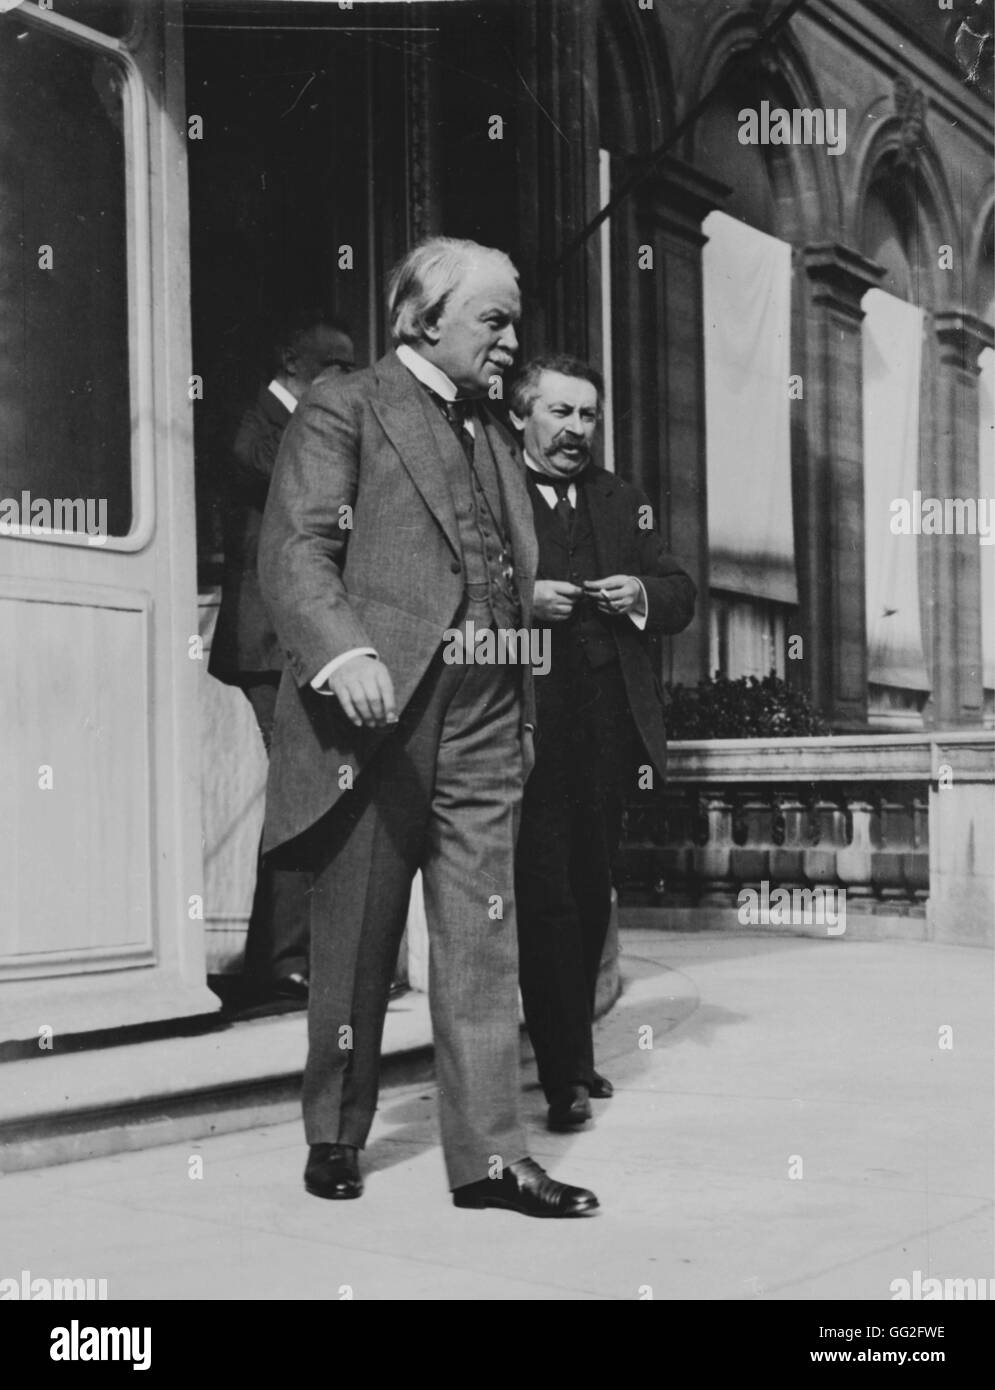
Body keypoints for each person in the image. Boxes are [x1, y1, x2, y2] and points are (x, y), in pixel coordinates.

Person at [258, 238, 598, 1218]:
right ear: (422, 320)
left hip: (489, 717)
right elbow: (296, 550)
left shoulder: (494, 430)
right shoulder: (345, 405)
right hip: (377, 718)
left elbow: (483, 562)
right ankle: (334, 1131)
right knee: (357, 939)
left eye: (514, 318)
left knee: (483, 939)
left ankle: (490, 1159)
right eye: (493, 318)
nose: (512, 338)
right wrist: (343, 651)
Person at [509, 354, 695, 1131]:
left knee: (589, 893)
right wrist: (525, 600)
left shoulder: (624, 501)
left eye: (587, 416)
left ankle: (572, 1052)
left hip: (607, 732)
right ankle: (560, 1078)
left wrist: (641, 594)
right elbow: (451, 591)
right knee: (545, 894)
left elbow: (681, 591)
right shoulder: (495, 491)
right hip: (523, 726)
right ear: (522, 415)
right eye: (559, 413)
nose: (576, 431)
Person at [209, 310, 356, 1004]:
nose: (346, 378)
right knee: (303, 792)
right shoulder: (256, 425)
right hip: (271, 642)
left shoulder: (293, 422)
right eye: (337, 365)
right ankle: (285, 958)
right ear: (297, 363)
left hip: (297, 642)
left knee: (308, 792)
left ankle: (286, 956)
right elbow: (293, 492)